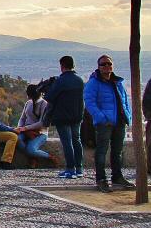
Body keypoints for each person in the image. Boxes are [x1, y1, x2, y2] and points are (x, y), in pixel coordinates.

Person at [84, 55, 135, 192]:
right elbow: (90, 103)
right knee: (101, 151)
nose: (107, 66)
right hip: (105, 123)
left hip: (119, 121)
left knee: (117, 151)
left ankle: (117, 177)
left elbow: (124, 100)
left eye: (109, 64)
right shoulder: (94, 83)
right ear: (99, 66)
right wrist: (101, 118)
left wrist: (128, 116)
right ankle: (101, 179)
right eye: (103, 64)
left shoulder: (117, 82)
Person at [45, 56, 85, 179]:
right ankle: (79, 168)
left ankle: (70, 169)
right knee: (76, 141)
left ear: (62, 66)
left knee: (67, 143)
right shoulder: (80, 80)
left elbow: (49, 97)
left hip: (62, 116)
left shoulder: (60, 81)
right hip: (77, 115)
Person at [18, 84, 54, 166]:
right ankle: (33, 158)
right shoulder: (28, 103)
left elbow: (41, 123)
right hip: (26, 130)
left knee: (31, 150)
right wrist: (20, 128)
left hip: (40, 132)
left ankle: (50, 157)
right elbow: (22, 118)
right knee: (17, 139)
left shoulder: (44, 104)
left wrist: (26, 128)